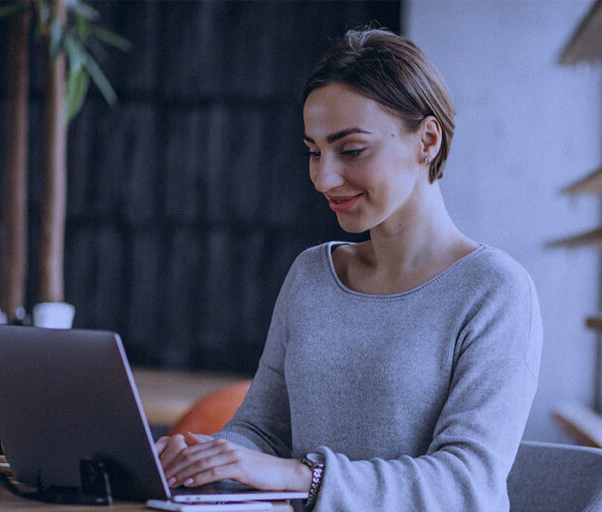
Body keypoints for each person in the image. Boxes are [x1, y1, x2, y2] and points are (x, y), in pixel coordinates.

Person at [156, 28, 542, 511]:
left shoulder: (495, 291)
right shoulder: (312, 274)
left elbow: (468, 485)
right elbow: (262, 431)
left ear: (427, 139)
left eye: (351, 150)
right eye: (314, 152)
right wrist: (205, 461)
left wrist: (305, 477)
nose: (323, 178)